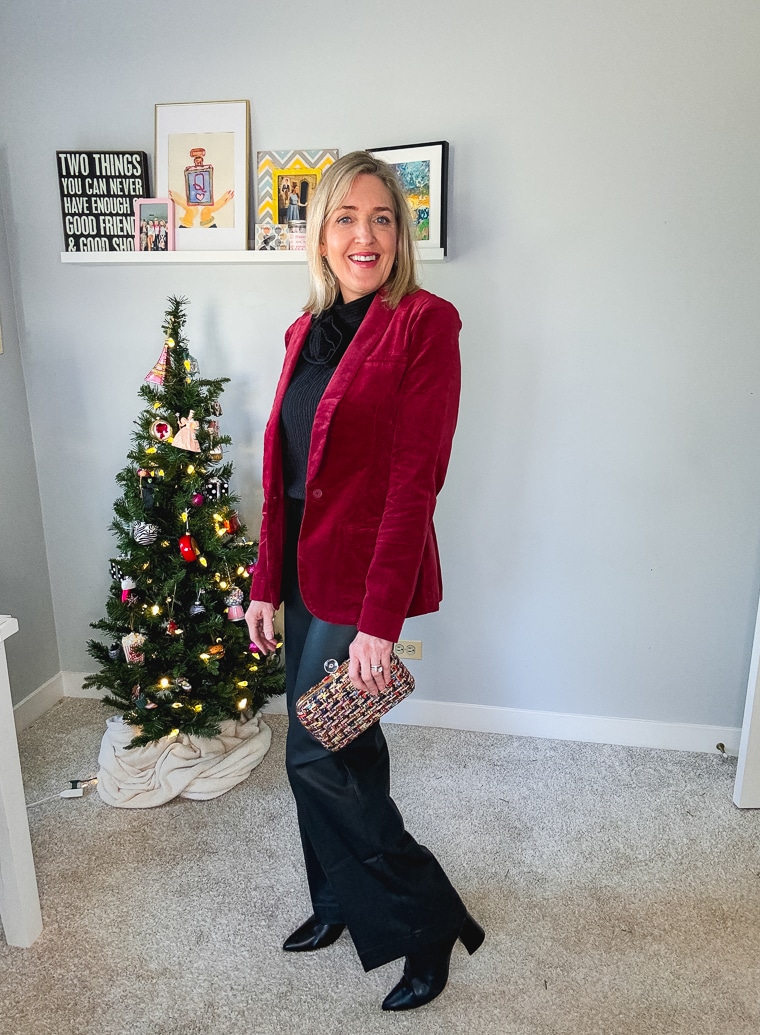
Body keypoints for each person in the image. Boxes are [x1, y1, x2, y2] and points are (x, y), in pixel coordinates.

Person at [245, 150, 483, 1012]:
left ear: (401, 232)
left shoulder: (426, 322)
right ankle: (337, 899)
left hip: (361, 580)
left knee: (313, 752)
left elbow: (413, 479)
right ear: (322, 233)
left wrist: (382, 621)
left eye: (382, 217)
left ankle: (427, 918)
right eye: (347, 217)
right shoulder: (303, 330)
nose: (364, 235)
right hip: (302, 571)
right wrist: (264, 582)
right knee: (350, 745)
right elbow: (282, 471)